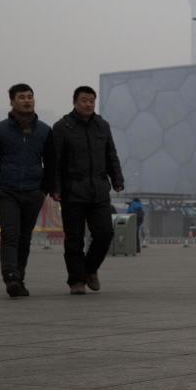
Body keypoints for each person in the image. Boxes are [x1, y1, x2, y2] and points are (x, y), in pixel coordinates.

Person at [0, 84, 53, 297]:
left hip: (34, 191)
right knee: (10, 234)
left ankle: (19, 276)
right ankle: (10, 276)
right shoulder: (0, 129)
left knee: (25, 237)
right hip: (9, 190)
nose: (27, 101)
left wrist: (46, 189)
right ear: (12, 101)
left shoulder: (44, 130)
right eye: (22, 97)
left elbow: (51, 163)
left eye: (30, 97)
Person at [52, 86, 124, 295]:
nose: (88, 104)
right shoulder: (62, 127)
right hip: (72, 190)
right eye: (84, 100)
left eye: (92, 100)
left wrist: (117, 179)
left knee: (105, 233)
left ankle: (90, 269)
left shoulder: (102, 126)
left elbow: (112, 155)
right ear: (75, 102)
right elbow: (55, 161)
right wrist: (55, 188)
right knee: (73, 238)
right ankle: (76, 280)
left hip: (99, 190)